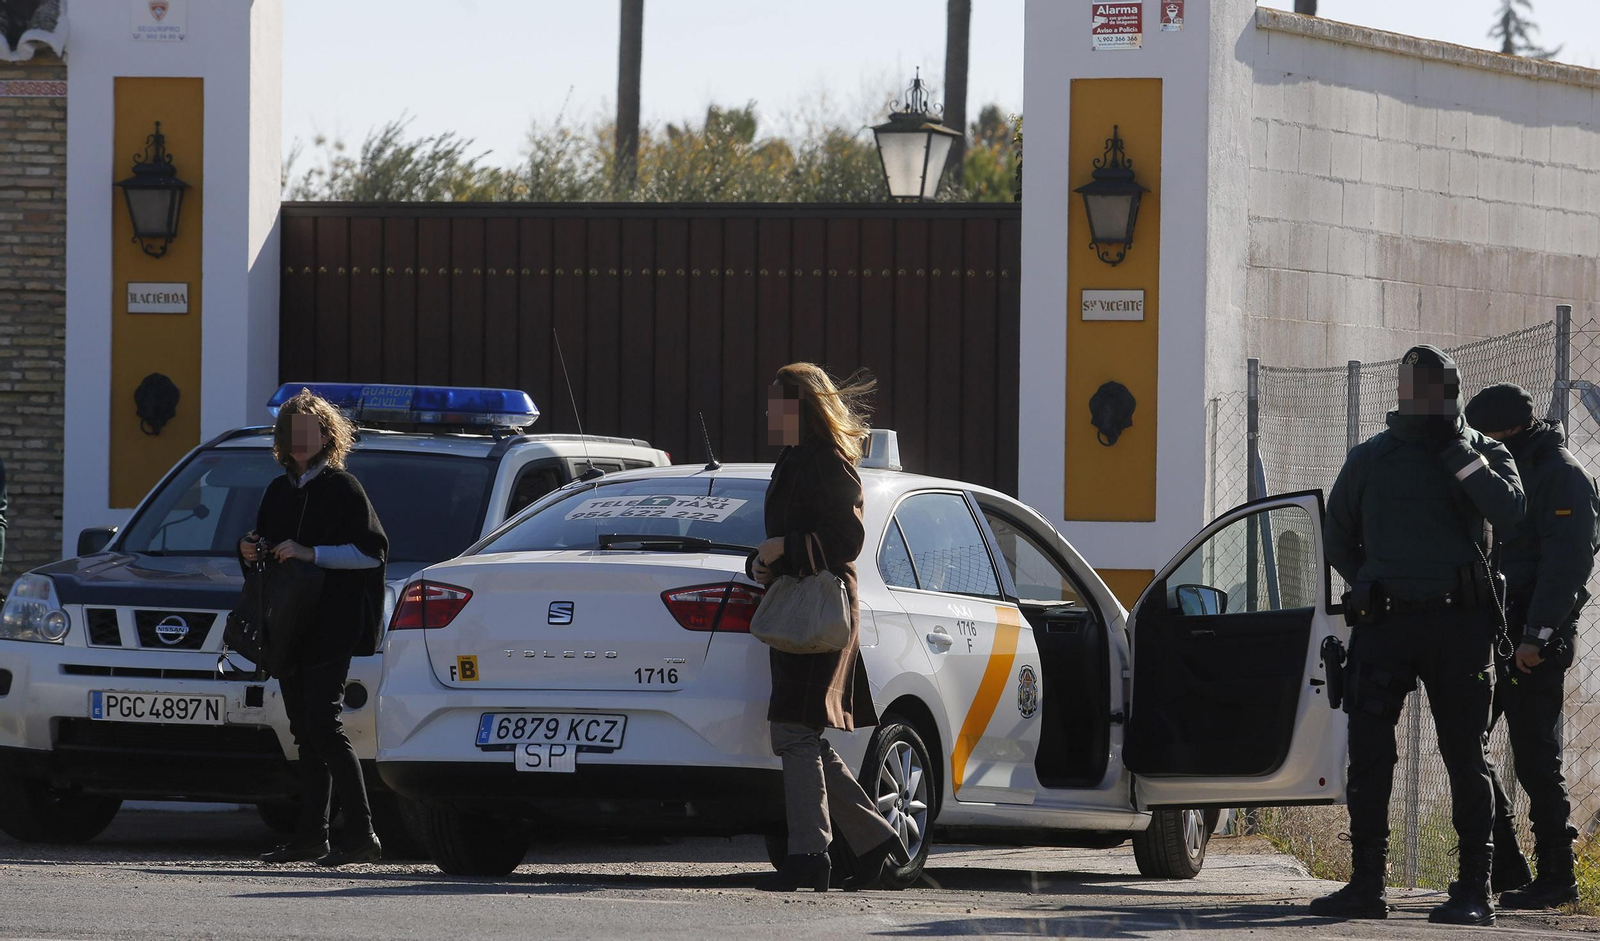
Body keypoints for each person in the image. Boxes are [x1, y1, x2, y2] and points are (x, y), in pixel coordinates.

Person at [1314, 345, 1525, 926]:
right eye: (1418, 391)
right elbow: (1337, 538)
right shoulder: (1372, 458)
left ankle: (1474, 888)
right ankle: (1366, 883)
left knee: (1465, 754)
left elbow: (1509, 512)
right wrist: (1370, 582)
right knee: (1370, 751)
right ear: (1404, 394)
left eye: (1436, 391)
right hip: (1387, 624)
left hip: (1459, 625)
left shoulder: (1483, 452)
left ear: (1452, 393)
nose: (1426, 402)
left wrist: (1455, 451)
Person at [748, 363, 907, 892]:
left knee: (793, 731)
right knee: (801, 733)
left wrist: (786, 549)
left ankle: (810, 857)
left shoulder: (827, 460)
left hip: (821, 611)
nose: (768, 413)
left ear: (802, 410)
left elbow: (847, 538)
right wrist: (761, 562)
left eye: (777, 404)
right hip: (797, 608)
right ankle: (874, 841)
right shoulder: (795, 458)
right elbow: (786, 537)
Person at [241, 389, 389, 867]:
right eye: (291, 431)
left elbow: (371, 553)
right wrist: (250, 549)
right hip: (289, 626)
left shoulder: (344, 488)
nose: (300, 440)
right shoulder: (277, 490)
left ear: (327, 436)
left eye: (310, 431)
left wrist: (311, 553)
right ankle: (311, 837)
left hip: (332, 626)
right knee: (304, 730)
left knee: (324, 726)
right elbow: (263, 555)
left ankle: (362, 835)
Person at [1466, 383, 1600, 910]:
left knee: (1535, 759)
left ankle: (1557, 874)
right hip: (1496, 632)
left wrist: (1537, 635)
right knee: (1466, 741)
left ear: (1509, 429)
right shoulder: (1508, 467)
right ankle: (1508, 864)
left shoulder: (1560, 474)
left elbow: (1567, 566)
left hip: (1532, 640)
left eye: (1484, 434)